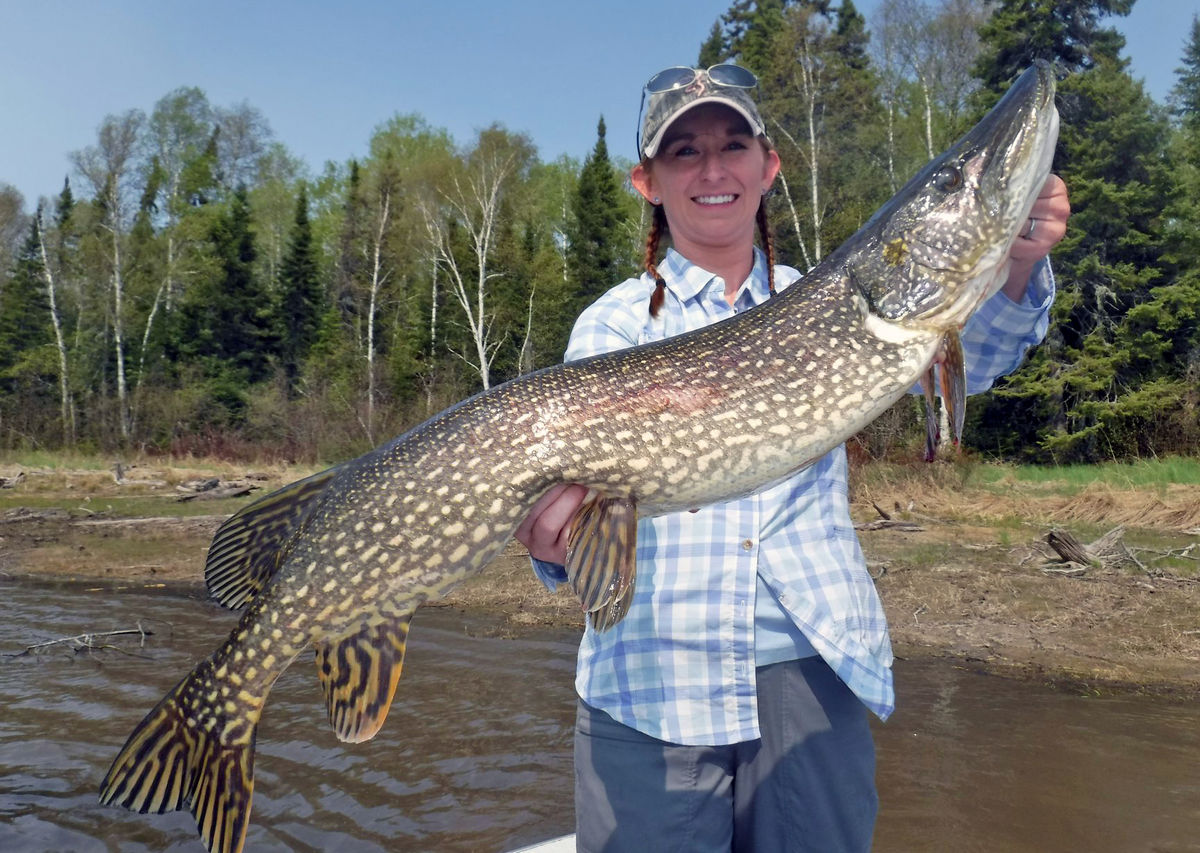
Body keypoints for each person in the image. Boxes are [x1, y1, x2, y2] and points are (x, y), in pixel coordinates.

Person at [515, 63, 1070, 852]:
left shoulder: (835, 299)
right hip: (651, 686)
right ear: (648, 180)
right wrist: (556, 549)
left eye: (734, 145)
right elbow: (574, 536)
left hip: (811, 676)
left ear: (767, 167)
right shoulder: (611, 330)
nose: (714, 170)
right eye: (684, 152)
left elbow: (978, 356)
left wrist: (1016, 263)